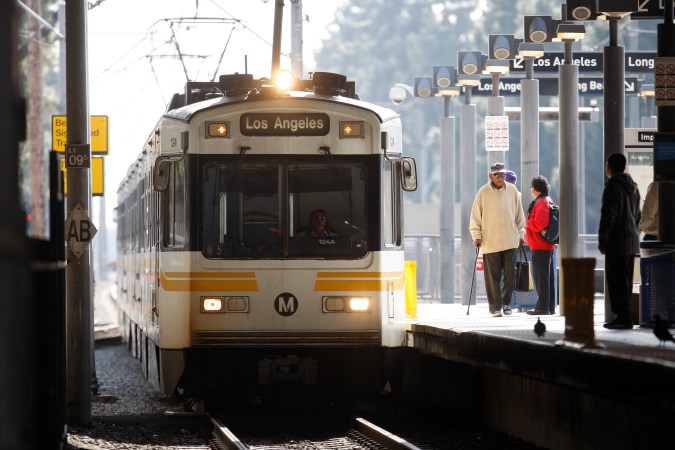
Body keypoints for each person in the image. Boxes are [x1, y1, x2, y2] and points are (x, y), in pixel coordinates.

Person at [470, 162, 526, 317]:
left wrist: (521, 234)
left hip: (510, 239)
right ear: (491, 176)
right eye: (497, 175)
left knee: (510, 274)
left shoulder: (512, 190)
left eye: (502, 174)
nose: (501, 178)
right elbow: (475, 218)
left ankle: (507, 303)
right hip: (490, 241)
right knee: (492, 277)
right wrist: (476, 236)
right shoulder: (482, 193)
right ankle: (495, 307)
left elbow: (519, 216)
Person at [598, 153, 641, 330]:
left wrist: (603, 241)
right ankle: (625, 316)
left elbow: (609, 216)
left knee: (617, 282)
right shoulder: (634, 187)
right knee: (626, 281)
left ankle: (623, 317)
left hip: (617, 243)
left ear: (610, 167)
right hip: (631, 241)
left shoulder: (613, 187)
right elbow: (638, 215)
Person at [524, 176, 557, 316]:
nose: (530, 189)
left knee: (540, 278)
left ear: (535, 188)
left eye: (531, 186)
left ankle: (542, 308)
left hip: (540, 245)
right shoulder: (548, 199)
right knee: (546, 277)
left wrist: (528, 223)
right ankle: (549, 307)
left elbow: (541, 223)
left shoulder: (541, 202)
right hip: (546, 245)